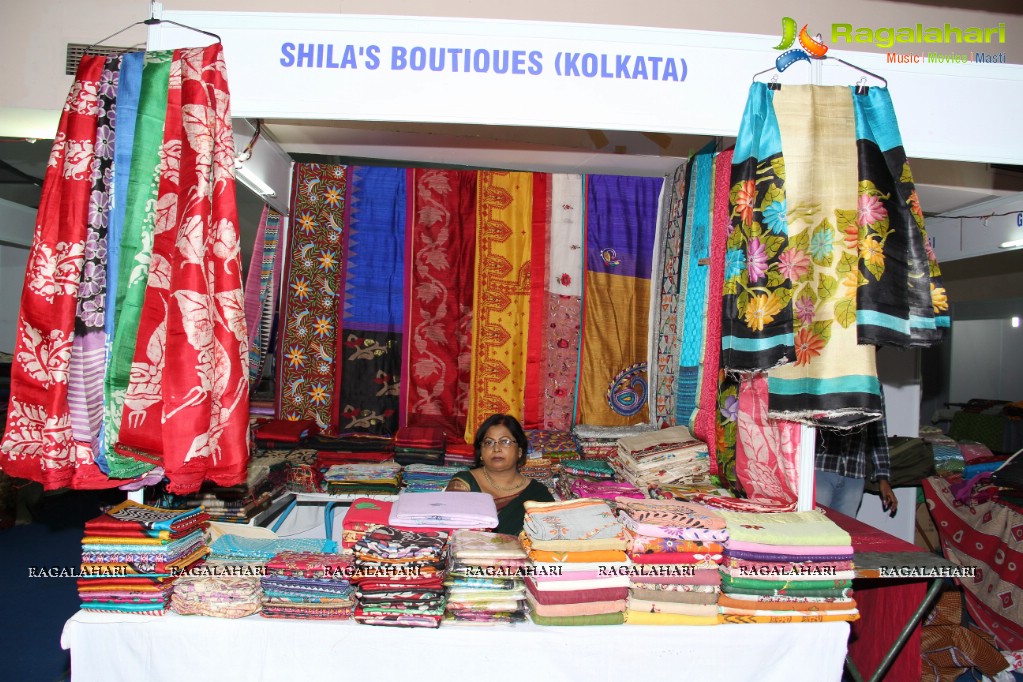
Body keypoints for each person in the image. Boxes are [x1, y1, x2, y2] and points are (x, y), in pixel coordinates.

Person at [445, 413, 554, 535]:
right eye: (489, 443)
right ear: (480, 452)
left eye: (505, 441)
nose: (496, 449)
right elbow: (450, 531)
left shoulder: (539, 495)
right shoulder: (464, 483)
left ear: (519, 451)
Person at [815, 393, 898, 518]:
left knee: (845, 531)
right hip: (821, 466)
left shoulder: (872, 384)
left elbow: (879, 431)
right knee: (814, 528)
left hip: (855, 472)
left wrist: (883, 478)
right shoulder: (827, 375)